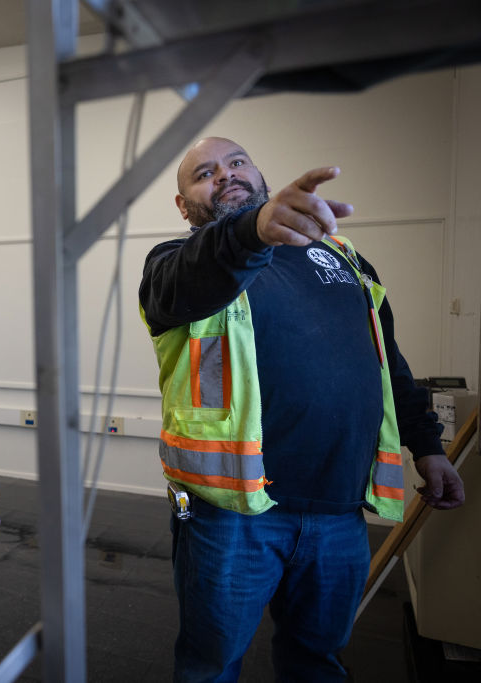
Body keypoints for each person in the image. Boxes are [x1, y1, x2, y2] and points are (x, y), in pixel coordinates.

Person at [138, 136, 465, 682]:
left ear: (259, 173)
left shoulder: (345, 258)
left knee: (317, 663)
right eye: (204, 173)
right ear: (183, 205)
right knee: (210, 665)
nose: (225, 174)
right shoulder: (177, 264)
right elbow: (183, 282)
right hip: (232, 515)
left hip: (339, 508)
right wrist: (250, 232)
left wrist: (428, 447)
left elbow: (388, 364)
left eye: (236, 162)